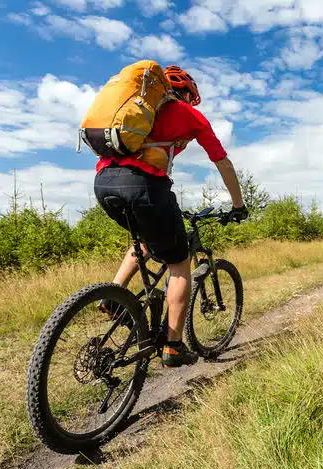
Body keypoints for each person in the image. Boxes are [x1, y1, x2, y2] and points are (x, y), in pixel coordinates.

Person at [93, 65, 248, 367]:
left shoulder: (133, 109)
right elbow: (222, 161)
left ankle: (113, 297)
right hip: (145, 186)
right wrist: (238, 204)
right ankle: (174, 347)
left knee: (146, 242)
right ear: (188, 93)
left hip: (104, 183)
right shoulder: (188, 114)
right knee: (178, 262)